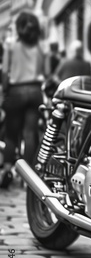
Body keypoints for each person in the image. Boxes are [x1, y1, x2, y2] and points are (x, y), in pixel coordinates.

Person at [0, 11, 45, 188]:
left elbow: (5, 72)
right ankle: (28, 177)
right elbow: (45, 72)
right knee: (30, 133)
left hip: (16, 91)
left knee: (11, 134)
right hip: (35, 90)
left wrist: (4, 91)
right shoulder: (41, 47)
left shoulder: (11, 45)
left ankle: (7, 170)